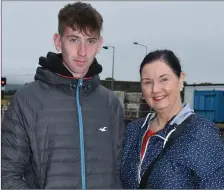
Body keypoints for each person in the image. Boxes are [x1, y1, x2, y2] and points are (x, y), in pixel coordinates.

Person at [1, 2, 125, 189]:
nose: (82, 52)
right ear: (58, 42)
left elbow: (116, 174)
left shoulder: (110, 103)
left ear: (99, 44)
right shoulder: (27, 100)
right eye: (74, 39)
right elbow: (6, 174)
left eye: (90, 41)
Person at [120, 49, 224, 189]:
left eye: (164, 79)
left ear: (180, 80)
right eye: (147, 82)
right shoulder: (133, 131)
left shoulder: (202, 133)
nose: (155, 89)